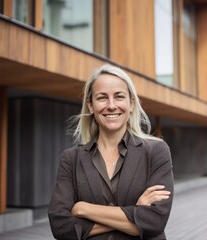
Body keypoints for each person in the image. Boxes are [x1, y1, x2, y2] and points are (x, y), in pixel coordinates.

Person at [48, 64, 174, 240]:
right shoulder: (71, 159)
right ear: (90, 106)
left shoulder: (156, 151)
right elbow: (60, 227)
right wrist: (136, 216)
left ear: (130, 103)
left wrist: (84, 209)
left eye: (119, 96)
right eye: (102, 98)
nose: (111, 105)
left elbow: (154, 222)